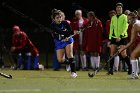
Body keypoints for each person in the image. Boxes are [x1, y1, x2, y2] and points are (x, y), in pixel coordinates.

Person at [50, 9, 77, 78]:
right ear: (54, 19)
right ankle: (68, 63)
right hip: (59, 41)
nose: (59, 19)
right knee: (60, 60)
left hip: (68, 40)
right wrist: (69, 33)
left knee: (69, 54)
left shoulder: (65, 23)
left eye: (60, 17)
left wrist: (70, 34)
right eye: (57, 18)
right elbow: (59, 32)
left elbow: (70, 31)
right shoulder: (53, 25)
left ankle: (73, 72)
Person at [108, 2, 131, 75]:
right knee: (112, 53)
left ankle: (130, 67)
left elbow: (125, 27)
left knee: (123, 54)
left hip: (123, 37)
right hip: (114, 38)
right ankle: (111, 70)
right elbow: (111, 28)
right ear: (116, 9)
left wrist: (120, 36)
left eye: (120, 7)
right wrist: (110, 38)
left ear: (122, 9)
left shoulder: (124, 16)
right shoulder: (113, 17)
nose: (118, 9)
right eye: (117, 7)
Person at [119, 12, 140, 79]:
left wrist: (123, 48)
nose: (128, 21)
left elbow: (131, 42)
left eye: (129, 19)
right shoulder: (138, 22)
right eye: (128, 19)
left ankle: (134, 74)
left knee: (133, 55)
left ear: (134, 19)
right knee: (135, 56)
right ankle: (135, 73)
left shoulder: (135, 26)